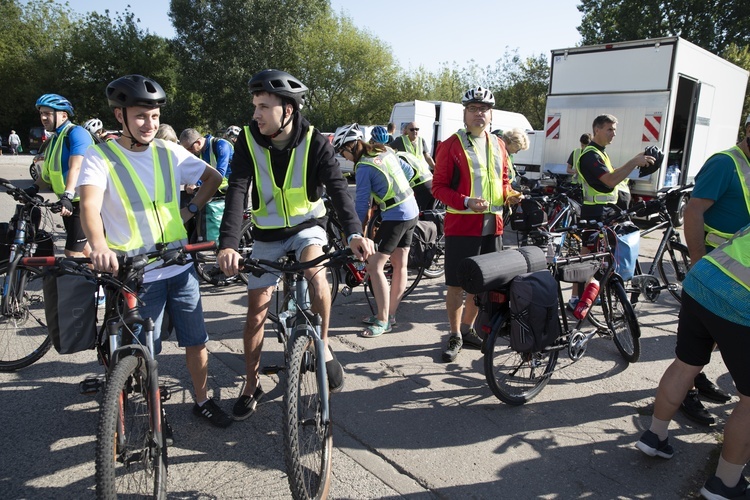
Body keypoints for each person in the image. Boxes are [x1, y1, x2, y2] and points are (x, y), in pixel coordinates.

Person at [216, 69, 375, 420]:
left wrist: (353, 234)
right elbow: (237, 191)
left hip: (308, 226)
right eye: (255, 106)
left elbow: (337, 189)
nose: (255, 114)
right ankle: (250, 382)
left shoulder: (315, 141)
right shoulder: (247, 139)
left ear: (287, 110)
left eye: (263, 107)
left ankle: (323, 344)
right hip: (267, 233)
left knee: (317, 276)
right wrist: (227, 244)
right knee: (257, 308)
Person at [77, 74, 232, 430]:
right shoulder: (100, 157)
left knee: (197, 341)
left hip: (178, 265)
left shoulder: (169, 151)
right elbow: (88, 205)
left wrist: (189, 210)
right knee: (146, 351)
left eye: (155, 117)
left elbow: (213, 178)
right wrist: (99, 245)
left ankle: (202, 399)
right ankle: (151, 407)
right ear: (121, 116)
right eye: (141, 116)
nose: (150, 124)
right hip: (137, 274)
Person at [634, 224, 750, 499]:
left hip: (704, 279)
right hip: (741, 299)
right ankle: (726, 484)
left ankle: (654, 436)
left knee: (685, 364)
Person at [432, 86, 523, 362]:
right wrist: (465, 201)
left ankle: (468, 329)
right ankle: (453, 334)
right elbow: (438, 188)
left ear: (491, 115)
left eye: (483, 109)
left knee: (482, 285)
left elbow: (504, 181)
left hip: (492, 225)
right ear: (464, 114)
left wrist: (511, 194)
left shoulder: (499, 145)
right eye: (473, 109)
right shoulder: (450, 145)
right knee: (457, 285)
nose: (478, 114)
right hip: (461, 226)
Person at [676, 114, 750, 426]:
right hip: (712, 269)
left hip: (733, 274)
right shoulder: (725, 162)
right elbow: (693, 212)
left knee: (712, 335)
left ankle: (698, 377)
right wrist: (697, 263)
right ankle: (685, 392)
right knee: (694, 339)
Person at [334, 123, 419, 337]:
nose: (344, 157)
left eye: (342, 152)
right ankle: (389, 314)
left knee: (374, 266)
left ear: (350, 146)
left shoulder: (363, 166)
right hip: (411, 208)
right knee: (400, 264)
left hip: (396, 215)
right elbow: (409, 171)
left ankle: (382, 320)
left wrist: (355, 232)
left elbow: (361, 205)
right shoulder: (384, 149)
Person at [569, 114, 654, 309]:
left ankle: (589, 294)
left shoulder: (601, 153)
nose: (613, 134)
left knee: (600, 258)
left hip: (605, 213)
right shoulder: (590, 154)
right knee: (586, 257)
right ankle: (575, 299)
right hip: (593, 213)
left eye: (615, 130)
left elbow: (615, 180)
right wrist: (633, 162)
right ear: (596, 130)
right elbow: (609, 180)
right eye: (609, 129)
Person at [31, 93, 94, 258]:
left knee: (72, 253)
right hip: (69, 203)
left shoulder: (76, 133)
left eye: (48, 113)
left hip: (83, 201)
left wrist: (67, 194)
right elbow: (47, 175)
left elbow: (77, 166)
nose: (43, 117)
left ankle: (92, 282)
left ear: (63, 115)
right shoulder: (54, 140)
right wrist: (34, 187)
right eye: (41, 114)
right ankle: (103, 280)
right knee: (86, 250)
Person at [180, 128, 234, 194]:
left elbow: (220, 174)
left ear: (198, 142)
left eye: (190, 148)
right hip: (215, 189)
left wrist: (196, 184)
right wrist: (191, 183)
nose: (190, 152)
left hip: (230, 189)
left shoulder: (221, 145)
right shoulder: (200, 151)